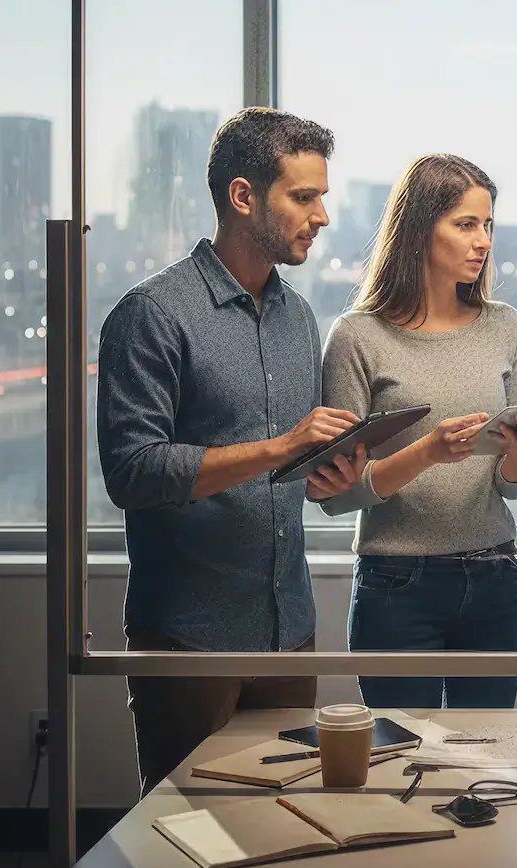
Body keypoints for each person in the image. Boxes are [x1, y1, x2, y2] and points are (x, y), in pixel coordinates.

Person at [97, 107, 362, 796]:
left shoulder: (298, 317)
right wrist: (281, 447)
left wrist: (335, 470)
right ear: (244, 197)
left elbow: (296, 478)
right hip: (190, 641)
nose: (322, 216)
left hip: (288, 635)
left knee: (288, 819)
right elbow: (133, 471)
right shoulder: (151, 314)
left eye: (322, 197)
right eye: (304, 197)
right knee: (186, 832)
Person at [319, 153, 517, 710]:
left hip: (496, 576)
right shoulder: (357, 337)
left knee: (489, 756)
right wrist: (427, 452)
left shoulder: (506, 326)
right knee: (399, 763)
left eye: (488, 224)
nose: (484, 242)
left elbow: (510, 486)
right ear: (421, 229)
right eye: (466, 224)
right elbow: (336, 495)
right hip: (397, 586)